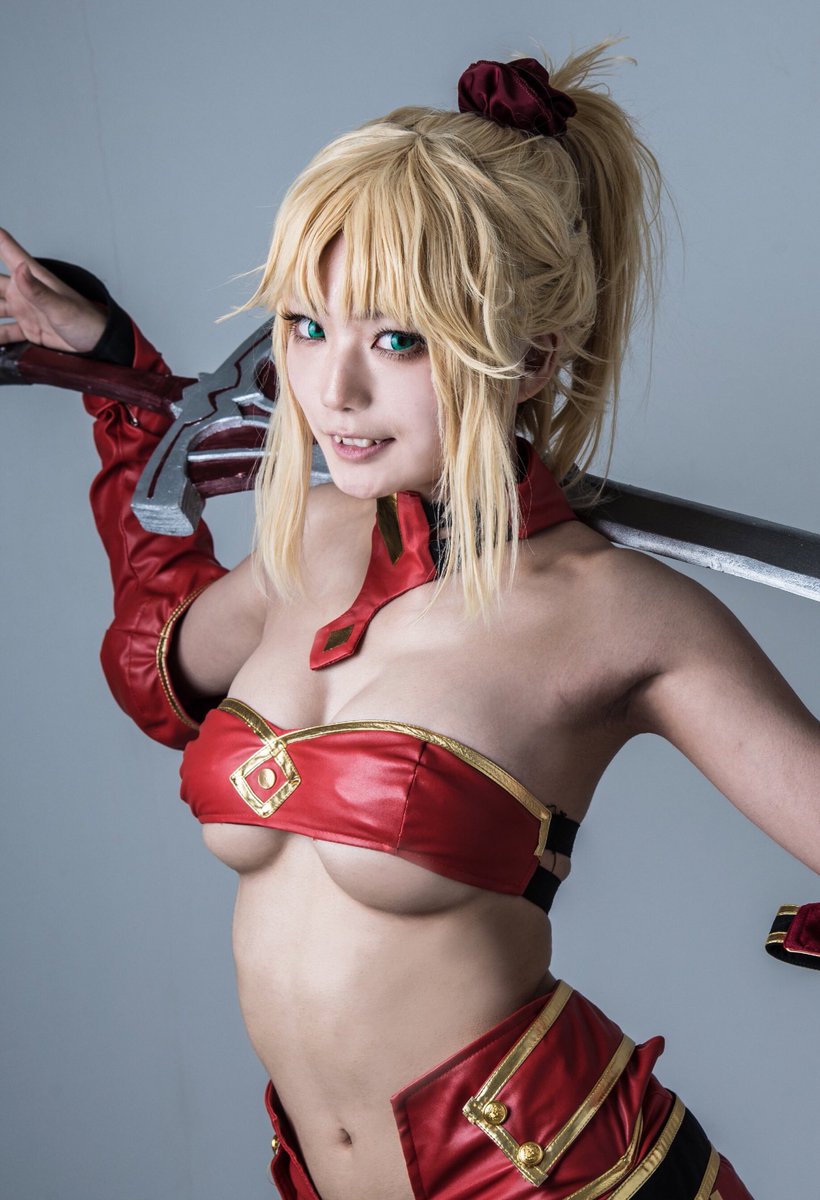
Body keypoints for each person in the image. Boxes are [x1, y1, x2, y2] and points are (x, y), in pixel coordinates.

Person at [1, 44, 817, 1200]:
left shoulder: (620, 614)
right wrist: (112, 380)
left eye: (396, 339)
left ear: (528, 358)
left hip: (558, 1176)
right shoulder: (315, 539)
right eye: (305, 325)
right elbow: (157, 674)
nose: (331, 392)